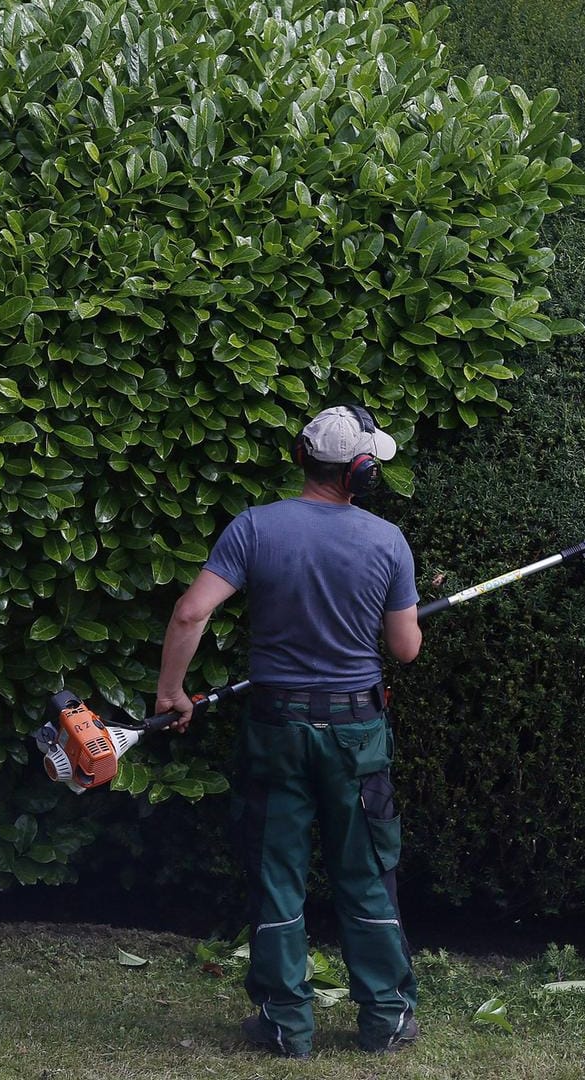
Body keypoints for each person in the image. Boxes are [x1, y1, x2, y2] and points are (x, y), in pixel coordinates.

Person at [154, 403, 423, 1059]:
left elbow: (191, 613)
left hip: (276, 727)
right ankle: (385, 1020)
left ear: (303, 459)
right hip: (355, 731)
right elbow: (406, 649)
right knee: (364, 872)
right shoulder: (387, 541)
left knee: (276, 873)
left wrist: (171, 692)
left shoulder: (254, 528)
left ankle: (285, 1025)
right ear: (362, 473)